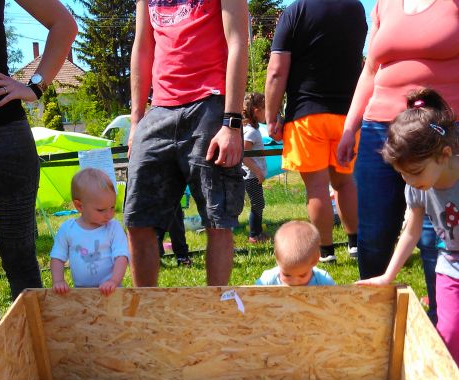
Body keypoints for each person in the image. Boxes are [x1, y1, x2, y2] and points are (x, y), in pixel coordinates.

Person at [337, 0, 459, 325]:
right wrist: (351, 127)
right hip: (380, 129)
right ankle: (374, 322)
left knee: (437, 234)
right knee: (374, 234)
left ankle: (442, 325)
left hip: (441, 131)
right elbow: (370, 70)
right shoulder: (384, 5)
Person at [124, 0, 248, 287]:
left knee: (217, 221)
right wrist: (136, 121)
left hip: (211, 105)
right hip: (160, 111)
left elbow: (238, 41)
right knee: (137, 219)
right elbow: (143, 47)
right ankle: (147, 313)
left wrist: (232, 122)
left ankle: (213, 313)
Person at [0, 0, 77, 334]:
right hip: (6, 142)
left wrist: (35, 86)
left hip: (3, 137)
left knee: (21, 261)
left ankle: (38, 367)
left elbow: (64, 25)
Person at [357, 89, 459, 366]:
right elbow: (411, 232)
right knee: (448, 334)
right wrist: (387, 276)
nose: (409, 180)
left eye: (414, 172)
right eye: (401, 173)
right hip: (451, 267)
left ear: (444, 154)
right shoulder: (417, 187)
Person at [265, 0, 367, 264]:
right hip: (347, 115)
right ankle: (355, 245)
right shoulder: (355, 8)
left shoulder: (296, 11)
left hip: (307, 114)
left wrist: (271, 115)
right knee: (345, 183)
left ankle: (327, 251)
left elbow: (276, 71)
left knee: (317, 188)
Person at [50, 168, 129, 296]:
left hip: (111, 291)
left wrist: (113, 281)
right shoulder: (68, 230)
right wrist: (58, 281)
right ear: (80, 206)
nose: (109, 214)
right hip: (81, 292)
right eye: (101, 210)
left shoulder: (113, 227)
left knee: (112, 316)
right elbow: (57, 257)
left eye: (112, 207)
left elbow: (121, 256)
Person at [256, 220, 336, 286]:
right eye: (286, 275)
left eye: (302, 275)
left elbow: (336, 300)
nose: (295, 282)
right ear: (277, 259)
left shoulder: (323, 281)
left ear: (315, 260)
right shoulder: (267, 281)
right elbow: (252, 298)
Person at [242, 92, 269, 244]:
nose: (267, 112)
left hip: (252, 175)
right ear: (256, 111)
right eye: (265, 108)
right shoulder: (250, 131)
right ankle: (254, 235)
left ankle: (258, 233)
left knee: (259, 203)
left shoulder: (252, 128)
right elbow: (244, 155)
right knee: (257, 204)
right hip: (250, 176)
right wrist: (258, 171)